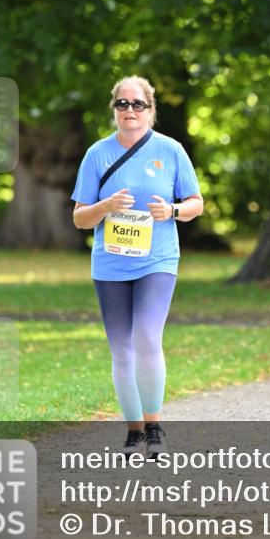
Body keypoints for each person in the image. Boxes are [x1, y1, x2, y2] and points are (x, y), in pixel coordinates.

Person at [71, 75, 203, 456]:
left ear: (150, 109)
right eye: (123, 104)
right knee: (121, 350)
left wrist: (173, 210)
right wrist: (105, 207)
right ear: (114, 109)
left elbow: (196, 202)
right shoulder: (97, 154)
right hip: (111, 264)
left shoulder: (171, 150)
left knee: (146, 337)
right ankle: (133, 431)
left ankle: (155, 424)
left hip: (158, 259)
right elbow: (80, 218)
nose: (130, 111)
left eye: (138, 104)